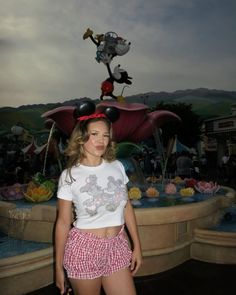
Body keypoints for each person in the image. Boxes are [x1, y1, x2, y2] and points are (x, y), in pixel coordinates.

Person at [55, 110, 142, 295]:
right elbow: (63, 223)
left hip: (117, 244)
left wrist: (137, 246)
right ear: (81, 138)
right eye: (94, 134)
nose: (101, 140)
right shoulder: (70, 175)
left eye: (105, 135)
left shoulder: (117, 166)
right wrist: (58, 267)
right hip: (84, 249)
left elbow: (127, 206)